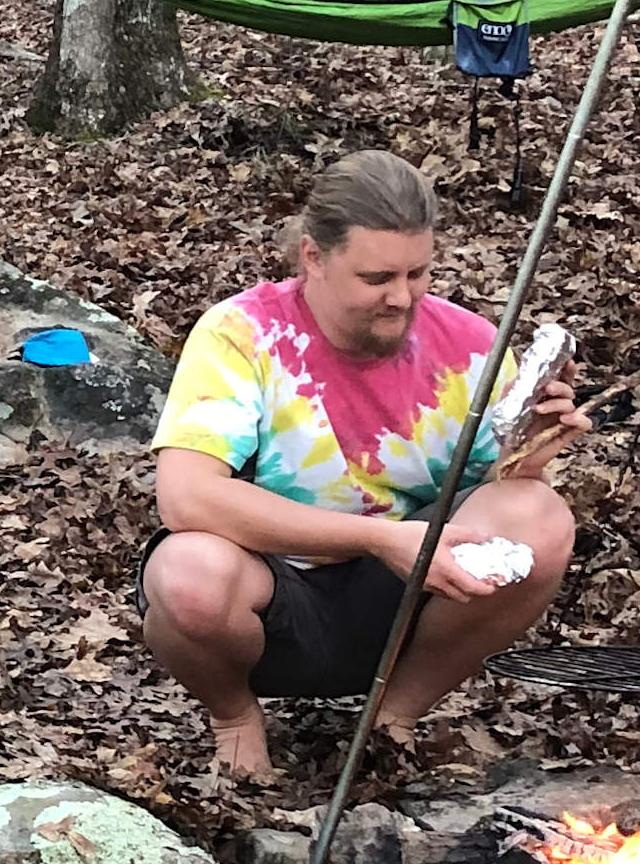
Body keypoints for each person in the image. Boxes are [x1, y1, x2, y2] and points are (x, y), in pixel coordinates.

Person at [140, 149, 587, 780]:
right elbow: (187, 498)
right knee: (186, 573)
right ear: (313, 257)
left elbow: (503, 498)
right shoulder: (240, 335)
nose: (401, 298)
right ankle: (235, 717)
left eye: (418, 274)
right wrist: (378, 538)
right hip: (274, 592)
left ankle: (392, 718)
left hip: (404, 601)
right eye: (377, 278)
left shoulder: (469, 344)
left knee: (540, 517)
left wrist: (533, 448)